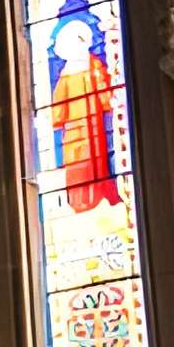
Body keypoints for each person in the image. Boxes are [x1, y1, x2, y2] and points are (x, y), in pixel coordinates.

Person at [49, 15, 119, 212]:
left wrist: (108, 100)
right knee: (76, 163)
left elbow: (104, 90)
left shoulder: (94, 66)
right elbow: (59, 103)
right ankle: (79, 201)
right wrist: (56, 118)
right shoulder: (65, 74)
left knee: (96, 159)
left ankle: (99, 195)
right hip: (74, 129)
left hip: (93, 125)